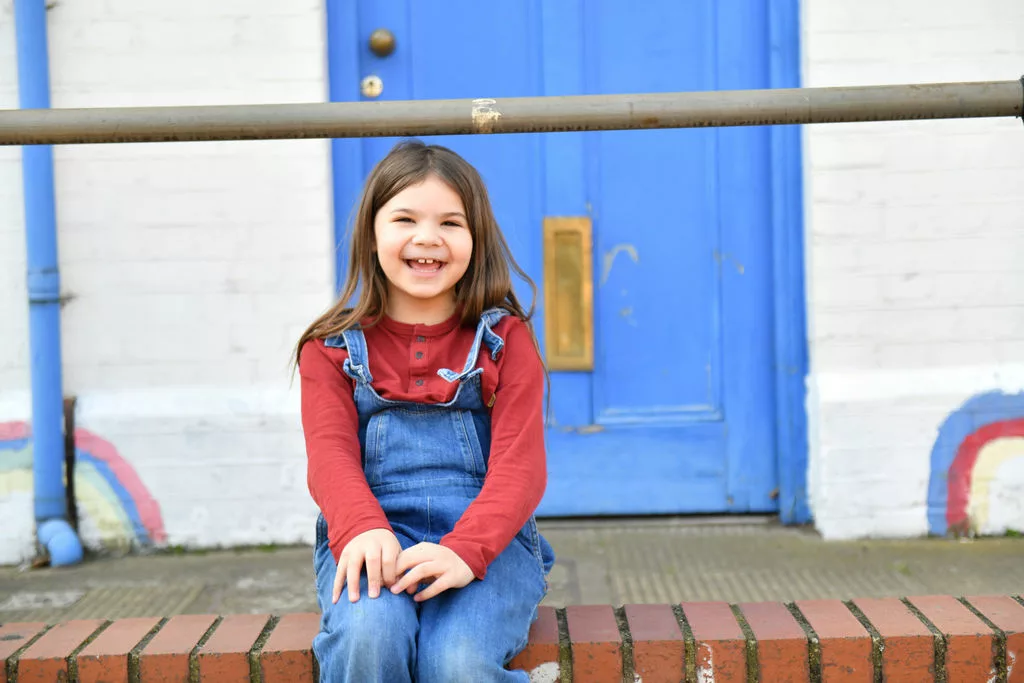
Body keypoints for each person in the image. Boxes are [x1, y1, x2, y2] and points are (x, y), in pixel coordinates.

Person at [295, 139, 556, 682]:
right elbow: (329, 457)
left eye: (451, 223)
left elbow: (521, 467)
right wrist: (362, 527)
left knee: (455, 660)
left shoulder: (505, 341)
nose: (427, 238)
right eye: (405, 218)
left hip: (489, 537)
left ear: (475, 238)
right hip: (374, 534)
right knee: (370, 636)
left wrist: (466, 549)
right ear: (372, 232)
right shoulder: (330, 348)